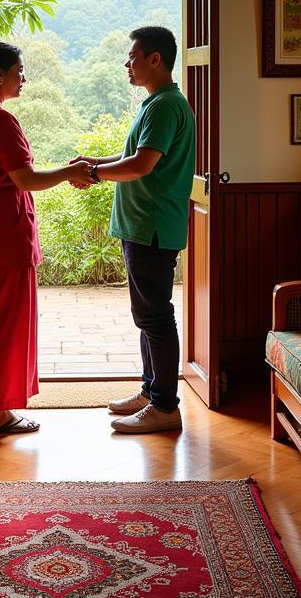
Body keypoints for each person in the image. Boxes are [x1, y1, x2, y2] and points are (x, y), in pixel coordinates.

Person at [0, 41, 94, 434]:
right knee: (6, 322)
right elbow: (25, 179)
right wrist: (70, 172)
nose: (24, 78)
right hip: (1, 227)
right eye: (19, 71)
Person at [73, 26, 196, 433]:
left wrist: (93, 171)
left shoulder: (164, 106)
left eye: (132, 57)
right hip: (143, 225)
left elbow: (141, 166)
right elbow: (136, 156)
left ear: (154, 59)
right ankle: (151, 391)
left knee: (155, 316)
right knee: (147, 315)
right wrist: (97, 161)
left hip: (152, 226)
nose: (127, 64)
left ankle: (164, 406)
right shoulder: (158, 103)